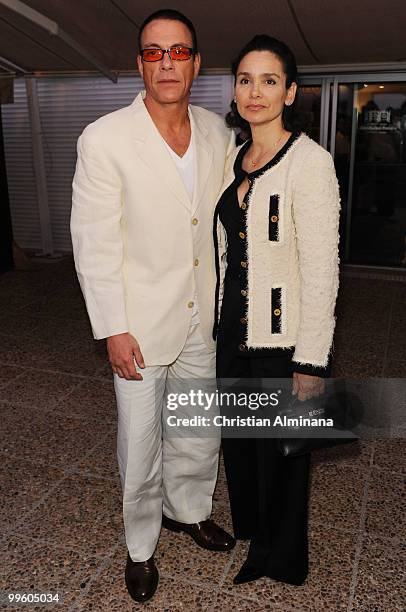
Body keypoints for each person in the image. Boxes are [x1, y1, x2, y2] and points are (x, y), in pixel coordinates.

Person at [71, 9, 235, 604]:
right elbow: (94, 242)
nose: (167, 62)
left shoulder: (220, 134)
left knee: (197, 427)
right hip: (138, 321)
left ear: (197, 63)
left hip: (203, 316)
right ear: (140, 62)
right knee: (140, 442)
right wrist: (113, 327)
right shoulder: (105, 138)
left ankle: (188, 510)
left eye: (179, 51)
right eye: (154, 52)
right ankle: (140, 546)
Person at [213, 35, 340, 586]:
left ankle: (280, 557)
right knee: (241, 443)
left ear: (290, 91)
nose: (255, 91)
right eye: (245, 79)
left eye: (269, 80)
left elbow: (322, 269)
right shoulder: (232, 156)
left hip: (281, 337)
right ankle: (252, 533)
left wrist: (311, 360)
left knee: (283, 457)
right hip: (231, 330)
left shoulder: (310, 163)